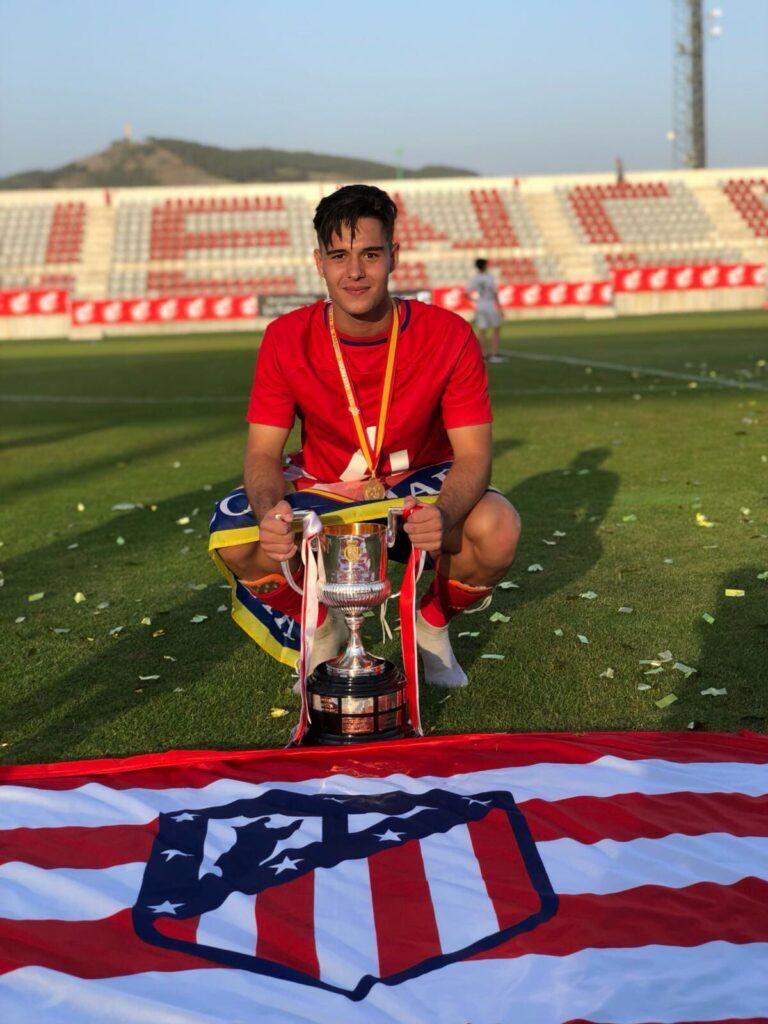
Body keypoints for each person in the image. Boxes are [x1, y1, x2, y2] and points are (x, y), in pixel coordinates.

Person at [209, 184, 520, 689]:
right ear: (320, 262)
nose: (354, 271)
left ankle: (430, 623)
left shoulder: (449, 334)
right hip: (329, 487)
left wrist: (444, 513)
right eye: (339, 256)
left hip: (419, 488)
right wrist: (272, 514)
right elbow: (262, 454)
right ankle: (322, 626)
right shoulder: (285, 337)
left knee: (498, 527)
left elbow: (475, 456)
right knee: (239, 534)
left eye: (370, 254)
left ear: (394, 256)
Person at [465, 258, 503, 363]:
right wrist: (500, 307)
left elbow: (465, 293)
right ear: (485, 266)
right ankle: (494, 353)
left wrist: (475, 300)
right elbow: (494, 292)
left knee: (482, 330)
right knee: (496, 328)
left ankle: (483, 355)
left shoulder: (475, 278)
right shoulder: (489, 277)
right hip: (490, 303)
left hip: (480, 304)